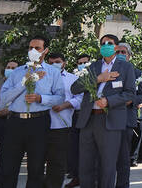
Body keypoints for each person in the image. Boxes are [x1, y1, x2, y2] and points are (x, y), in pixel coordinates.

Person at [71, 33, 136, 188]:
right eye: (103, 43)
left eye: (109, 43)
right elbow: (75, 88)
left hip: (109, 120)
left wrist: (108, 101)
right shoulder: (93, 66)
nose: (106, 46)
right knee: (86, 164)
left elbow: (129, 93)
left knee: (107, 165)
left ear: (116, 47)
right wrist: (98, 79)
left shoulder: (126, 67)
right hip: (88, 120)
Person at [0, 35, 65, 188]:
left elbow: (60, 98)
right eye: (30, 48)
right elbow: (4, 97)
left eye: (37, 48)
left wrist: (41, 98)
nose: (33, 51)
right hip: (15, 122)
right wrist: (25, 82)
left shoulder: (53, 73)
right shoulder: (17, 72)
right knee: (8, 166)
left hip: (38, 122)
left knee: (36, 167)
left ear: (45, 50)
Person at [115, 42, 142, 188]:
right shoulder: (107, 71)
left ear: (129, 56)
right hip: (108, 118)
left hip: (126, 119)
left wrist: (130, 101)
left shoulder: (137, 73)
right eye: (117, 52)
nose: (120, 55)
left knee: (123, 157)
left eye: (123, 52)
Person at [44, 52, 80, 188]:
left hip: (61, 126)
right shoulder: (41, 77)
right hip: (41, 124)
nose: (54, 65)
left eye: (57, 62)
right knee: (38, 160)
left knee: (57, 162)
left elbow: (80, 99)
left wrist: (65, 105)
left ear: (64, 63)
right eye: (51, 62)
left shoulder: (73, 79)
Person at [0, 60, 18, 187]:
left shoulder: (20, 84)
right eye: (8, 67)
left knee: (4, 153)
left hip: (10, 121)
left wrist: (10, 111)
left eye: (13, 68)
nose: (10, 69)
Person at [65, 53, 91, 188]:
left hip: (91, 116)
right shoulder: (73, 78)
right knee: (74, 147)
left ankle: (89, 178)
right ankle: (76, 176)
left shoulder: (95, 76)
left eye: (85, 62)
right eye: (80, 63)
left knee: (89, 149)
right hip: (76, 115)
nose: (82, 65)